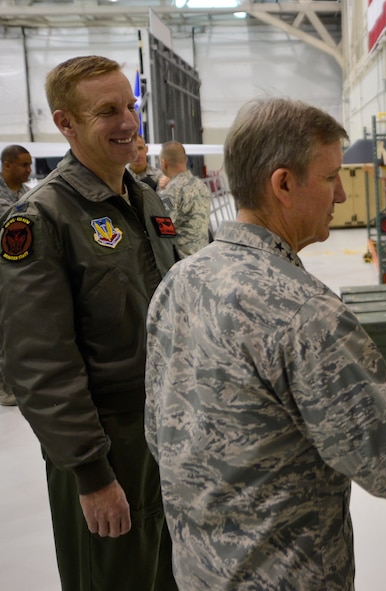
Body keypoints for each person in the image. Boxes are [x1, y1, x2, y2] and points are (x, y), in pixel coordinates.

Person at [144, 97, 386, 591]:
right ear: (283, 184)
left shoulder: (180, 281)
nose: (343, 196)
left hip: (199, 571)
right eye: (331, 177)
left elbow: (159, 431)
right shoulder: (302, 311)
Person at [0, 55, 178, 591]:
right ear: (65, 123)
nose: (128, 122)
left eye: (131, 106)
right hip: (108, 440)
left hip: (168, 428)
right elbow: (38, 361)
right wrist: (92, 473)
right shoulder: (42, 218)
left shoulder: (146, 200)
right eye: (107, 112)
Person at [0, 144, 33, 406]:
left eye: (29, 164)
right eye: (23, 164)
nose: (28, 170)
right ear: (7, 165)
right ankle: (4, 386)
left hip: (18, 270)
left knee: (16, 328)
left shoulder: (27, 193)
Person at [158, 140, 211, 256]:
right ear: (186, 160)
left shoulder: (171, 191)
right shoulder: (201, 185)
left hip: (183, 260)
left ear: (164, 163)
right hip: (203, 256)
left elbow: (162, 231)